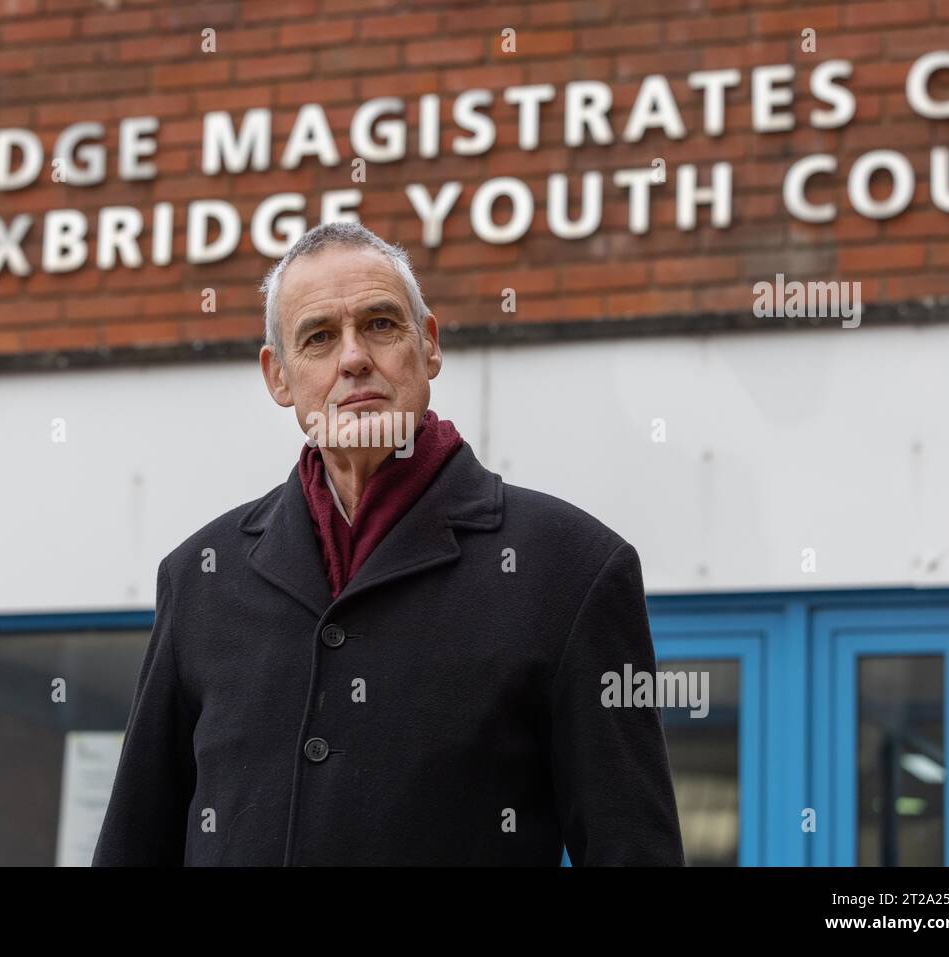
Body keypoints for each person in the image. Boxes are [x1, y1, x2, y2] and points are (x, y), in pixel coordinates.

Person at [92, 222, 685, 866]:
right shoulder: (200, 578)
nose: (353, 358)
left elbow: (635, 853)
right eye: (319, 338)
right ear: (280, 378)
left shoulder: (572, 569)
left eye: (380, 325)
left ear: (429, 346)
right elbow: (133, 844)